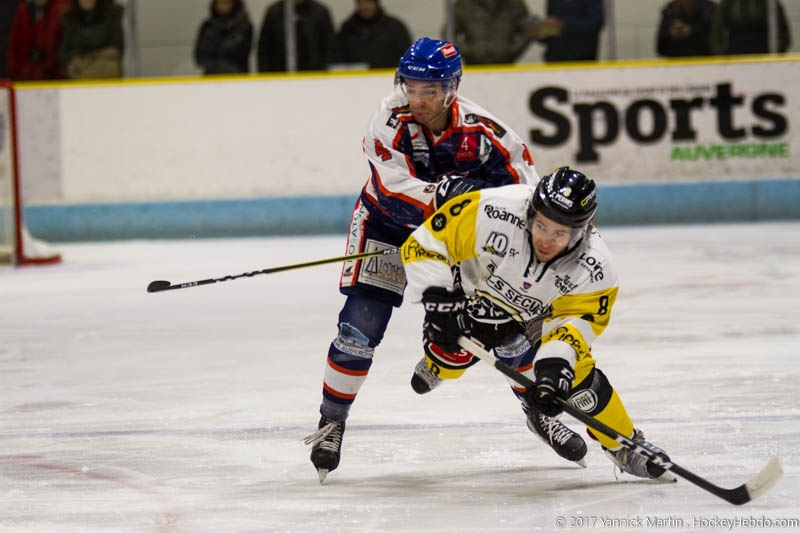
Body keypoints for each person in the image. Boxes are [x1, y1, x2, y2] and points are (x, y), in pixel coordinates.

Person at [303, 37, 539, 483]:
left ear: (452, 89)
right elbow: (390, 186)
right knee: (359, 330)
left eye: (429, 91)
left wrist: (496, 212)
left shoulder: (485, 132)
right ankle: (331, 422)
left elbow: (527, 190)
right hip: (386, 227)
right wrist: (441, 194)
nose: (418, 99)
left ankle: (537, 409)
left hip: (454, 240)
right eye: (411, 87)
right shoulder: (388, 118)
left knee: (501, 324)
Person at [399, 167, 675, 480]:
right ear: (531, 211)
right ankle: (439, 365)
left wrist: (555, 365)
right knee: (449, 350)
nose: (547, 240)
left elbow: (574, 325)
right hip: (472, 292)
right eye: (541, 225)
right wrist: (439, 302)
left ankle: (623, 444)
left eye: (560, 233)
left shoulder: (595, 268)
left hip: (532, 316)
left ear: (583, 230)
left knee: (577, 380)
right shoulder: (493, 209)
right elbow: (425, 244)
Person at [449, 0, 539, 65]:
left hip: (506, 65)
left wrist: (512, 51)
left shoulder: (515, 4)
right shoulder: (464, 4)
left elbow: (529, 30)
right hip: (473, 66)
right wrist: (467, 52)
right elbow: (449, 32)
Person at [257, 0, 334, 72]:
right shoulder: (274, 13)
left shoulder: (320, 13)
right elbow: (264, 50)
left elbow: (329, 49)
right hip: (279, 76)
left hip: (313, 77)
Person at [333, 0, 412, 69]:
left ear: (376, 4)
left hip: (388, 76)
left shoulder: (394, 26)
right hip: (355, 78)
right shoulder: (348, 28)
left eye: (368, 2)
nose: (365, 7)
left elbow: (406, 53)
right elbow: (338, 55)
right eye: (361, 3)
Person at [59, 0, 124, 79]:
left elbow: (117, 48)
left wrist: (87, 58)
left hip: (107, 78)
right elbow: (63, 54)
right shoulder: (70, 20)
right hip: (78, 81)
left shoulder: (112, 15)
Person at [6, 0, 70, 81]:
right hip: (24, 77)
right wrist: (14, 72)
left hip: (53, 77)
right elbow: (14, 45)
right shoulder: (23, 10)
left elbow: (63, 44)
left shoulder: (61, 9)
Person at [194, 0, 254, 75]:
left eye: (226, 3)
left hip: (237, 76)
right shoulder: (207, 26)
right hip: (211, 76)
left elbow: (241, 55)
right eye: (219, 3)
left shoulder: (244, 26)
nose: (222, 7)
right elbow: (200, 56)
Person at [710, 0, 791, 55]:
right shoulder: (728, 3)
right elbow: (716, 33)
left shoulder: (769, 4)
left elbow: (783, 33)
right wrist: (722, 56)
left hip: (764, 57)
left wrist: (774, 56)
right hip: (734, 57)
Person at [535, 0, 605, 62]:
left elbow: (595, 24)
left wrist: (563, 24)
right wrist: (538, 32)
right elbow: (554, 29)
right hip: (554, 61)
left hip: (582, 60)